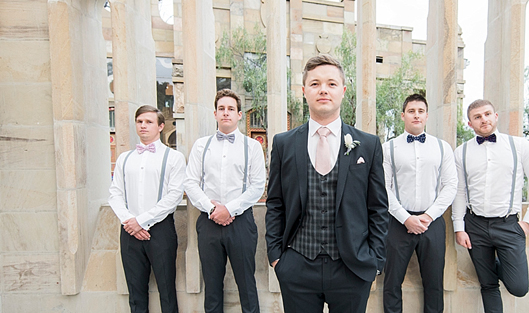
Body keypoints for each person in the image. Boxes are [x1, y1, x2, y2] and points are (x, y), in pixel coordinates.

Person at [265, 54, 389, 313]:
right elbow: (275, 202)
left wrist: (375, 260)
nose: (323, 90)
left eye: (331, 84)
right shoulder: (284, 143)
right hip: (297, 266)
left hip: (352, 268)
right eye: (315, 84)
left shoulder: (368, 144)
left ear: (343, 91)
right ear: (304, 91)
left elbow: (377, 207)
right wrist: (277, 257)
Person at [452, 99, 529, 313]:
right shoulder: (462, 152)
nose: (483, 119)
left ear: (496, 116)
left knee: (518, 287)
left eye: (487, 114)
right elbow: (459, 192)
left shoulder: (521, 147)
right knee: (487, 285)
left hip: (509, 226)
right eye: (477, 117)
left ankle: (492, 265)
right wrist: (459, 227)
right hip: (475, 225)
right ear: (470, 123)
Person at [184, 89, 265, 313]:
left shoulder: (253, 146)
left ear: (239, 114)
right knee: (212, 286)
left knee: (247, 284)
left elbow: (258, 186)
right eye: (222, 109)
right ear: (215, 113)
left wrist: (228, 209)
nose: (226, 113)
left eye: (231, 109)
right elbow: (190, 183)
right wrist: (213, 209)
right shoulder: (201, 146)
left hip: (241, 223)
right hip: (208, 222)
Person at [382, 94, 457, 313]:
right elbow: (383, 187)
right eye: (412, 111)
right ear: (403, 115)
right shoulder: (389, 148)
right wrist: (405, 218)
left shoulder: (443, 148)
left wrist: (429, 216)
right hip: (397, 223)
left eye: (421, 111)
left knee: (434, 284)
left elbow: (451, 185)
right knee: (392, 282)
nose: (416, 115)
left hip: (432, 224)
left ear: (426, 116)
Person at [108, 105, 186, 313]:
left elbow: (174, 196)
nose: (143, 126)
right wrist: (129, 221)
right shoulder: (124, 158)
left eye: (149, 122)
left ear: (161, 126)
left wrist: (142, 221)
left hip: (160, 231)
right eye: (140, 121)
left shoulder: (173, 158)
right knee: (135, 293)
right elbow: (115, 193)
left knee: (167, 292)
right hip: (129, 231)